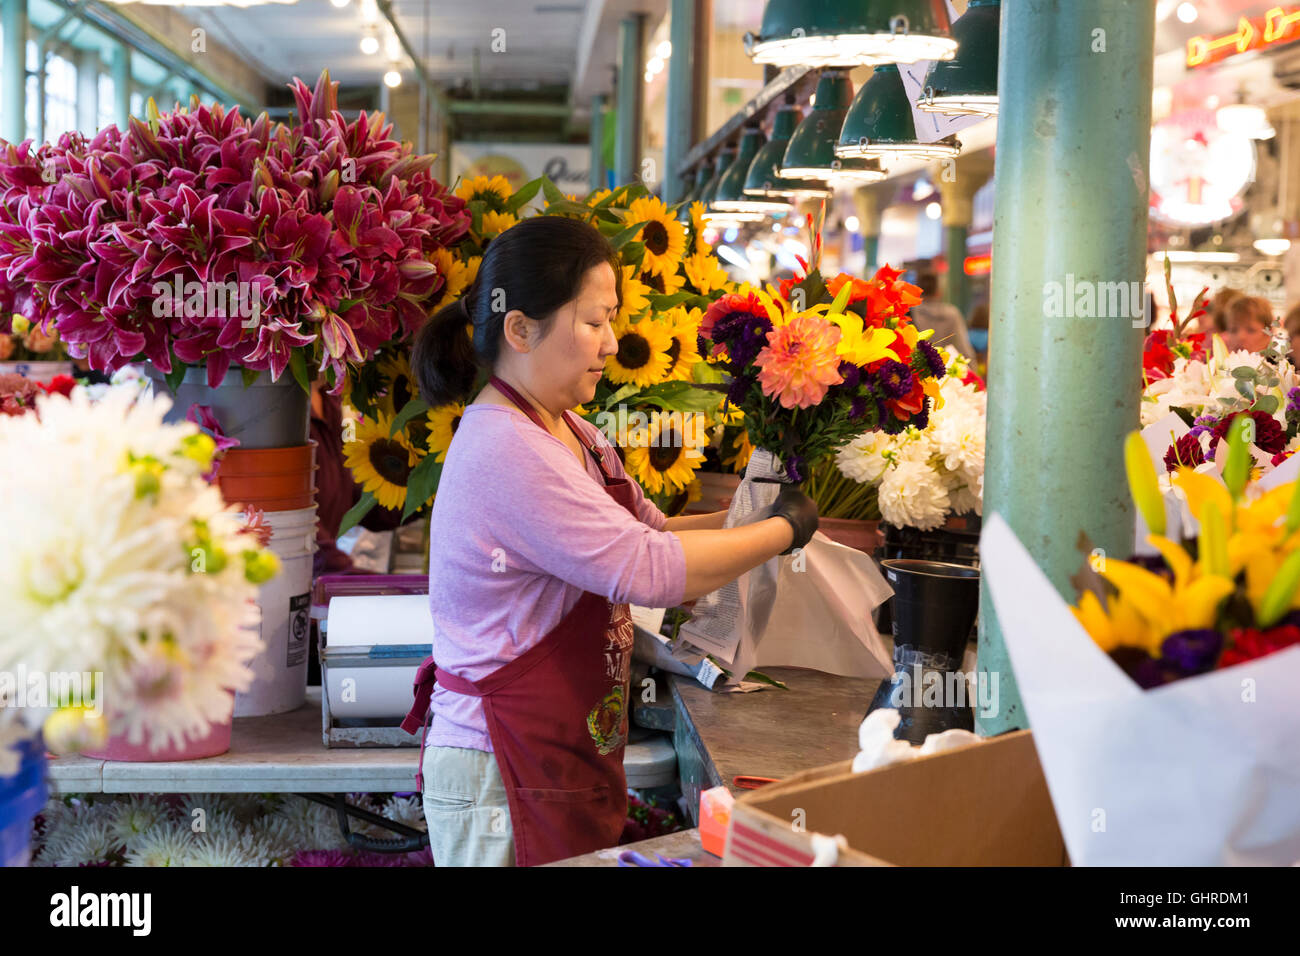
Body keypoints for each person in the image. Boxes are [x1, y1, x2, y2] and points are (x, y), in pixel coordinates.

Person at [405, 216, 818, 866]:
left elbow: (649, 531)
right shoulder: (507, 449)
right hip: (501, 770)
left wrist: (755, 508)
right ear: (520, 329)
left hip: (549, 753)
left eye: (612, 320)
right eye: (594, 322)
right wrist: (781, 531)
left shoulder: (570, 430)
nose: (612, 341)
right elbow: (652, 570)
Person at [909, 272, 976, 362]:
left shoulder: (910, 313)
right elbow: (963, 348)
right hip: (943, 370)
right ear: (938, 291)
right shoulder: (952, 314)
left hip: (917, 371)